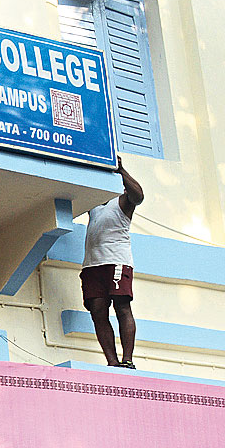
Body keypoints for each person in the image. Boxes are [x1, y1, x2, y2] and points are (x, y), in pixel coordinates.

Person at [81, 156, 144, 368]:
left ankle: (128, 360)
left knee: (122, 307)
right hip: (92, 265)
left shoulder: (123, 200)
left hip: (116, 261)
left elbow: (139, 195)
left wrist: (121, 170)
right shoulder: (93, 202)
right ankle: (112, 362)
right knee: (97, 311)